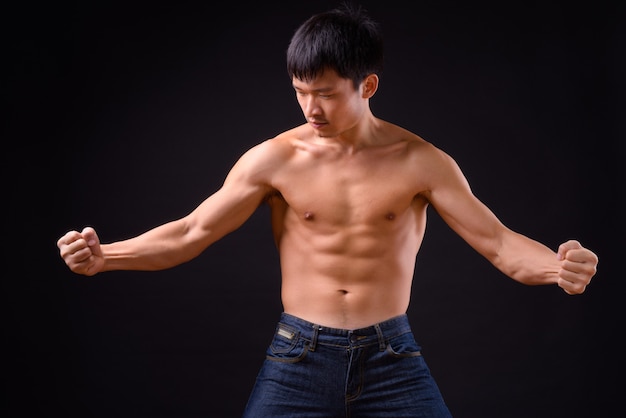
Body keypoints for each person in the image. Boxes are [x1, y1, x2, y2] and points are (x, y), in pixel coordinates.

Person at [56, 3, 598, 417]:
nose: (311, 108)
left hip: (393, 355)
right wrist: (107, 257)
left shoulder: (422, 161)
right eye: (299, 92)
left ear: (368, 85)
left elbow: (499, 243)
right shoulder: (274, 159)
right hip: (298, 355)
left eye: (327, 94)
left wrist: (558, 267)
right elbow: (191, 231)